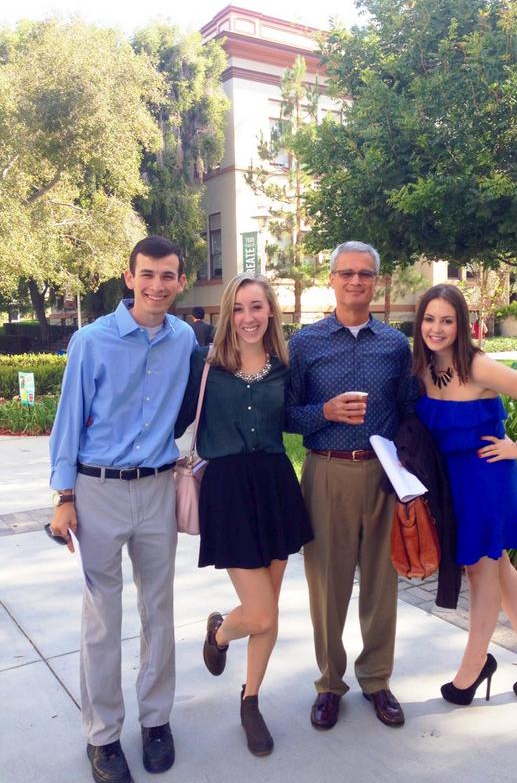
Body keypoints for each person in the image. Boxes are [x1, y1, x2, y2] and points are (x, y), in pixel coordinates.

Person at [49, 236, 196, 783]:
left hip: (157, 489)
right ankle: (103, 736)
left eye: (169, 276)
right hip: (97, 491)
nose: (158, 285)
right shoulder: (92, 341)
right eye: (149, 274)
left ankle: (156, 721)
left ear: (180, 281)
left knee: (158, 611)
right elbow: (69, 419)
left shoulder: (184, 339)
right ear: (130, 277)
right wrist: (63, 497)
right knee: (101, 621)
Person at [175, 273, 313, 757]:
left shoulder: (284, 366)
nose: (248, 318)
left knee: (269, 609)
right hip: (229, 491)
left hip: (275, 485)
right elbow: (174, 419)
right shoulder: (205, 364)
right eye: (238, 308)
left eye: (257, 307)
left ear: (270, 311)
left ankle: (250, 700)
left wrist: (330, 413)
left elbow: (295, 418)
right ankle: (219, 632)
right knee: (260, 612)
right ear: (226, 314)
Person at [286, 240, 418, 730]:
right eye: (347, 273)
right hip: (326, 471)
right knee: (327, 585)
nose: (356, 281)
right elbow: (286, 414)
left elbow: (408, 409)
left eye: (365, 274)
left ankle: (377, 680)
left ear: (376, 281)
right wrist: (324, 412)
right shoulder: (304, 344)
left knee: (383, 584)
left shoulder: (395, 345)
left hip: (383, 475)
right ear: (332, 279)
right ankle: (328, 684)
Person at [413, 284, 517, 705]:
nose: (436, 328)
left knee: (481, 571)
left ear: (461, 324)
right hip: (451, 482)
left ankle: (474, 666)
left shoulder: (479, 367)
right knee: (496, 567)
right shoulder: (422, 370)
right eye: (429, 319)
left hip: (487, 478)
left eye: (447, 320)